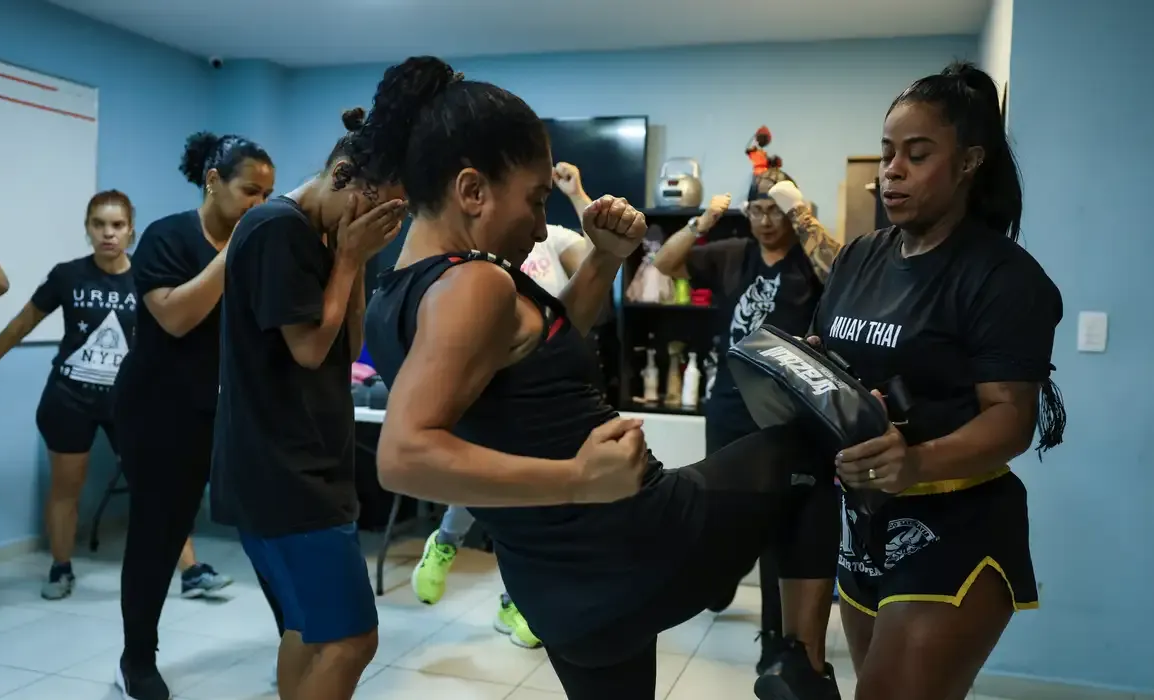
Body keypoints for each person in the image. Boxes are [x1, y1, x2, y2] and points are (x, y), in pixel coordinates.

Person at [363, 56, 841, 700]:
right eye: (534, 200)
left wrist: (607, 258)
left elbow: (539, 344)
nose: (539, 224)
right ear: (471, 190)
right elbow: (403, 456)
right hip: (628, 538)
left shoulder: (395, 293)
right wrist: (577, 478)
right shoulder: (473, 283)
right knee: (808, 449)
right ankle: (799, 665)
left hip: (557, 585)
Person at [813, 61, 1065, 700]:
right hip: (865, 519)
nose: (891, 171)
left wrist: (915, 460)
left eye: (917, 155)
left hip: (958, 523)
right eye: (887, 152)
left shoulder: (1004, 279)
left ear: (969, 162)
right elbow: (836, 360)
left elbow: (1011, 419)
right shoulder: (861, 256)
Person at [209, 110, 407, 700]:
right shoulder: (277, 229)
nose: (377, 224)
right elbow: (307, 348)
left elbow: (343, 351)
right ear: (343, 174)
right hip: (284, 475)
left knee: (308, 629)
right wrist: (348, 260)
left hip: (303, 468)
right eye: (375, 210)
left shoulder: (317, 235)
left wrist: (357, 259)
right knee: (353, 639)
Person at [113, 132, 281, 700]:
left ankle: (299, 641)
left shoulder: (260, 244)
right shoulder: (168, 236)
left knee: (270, 527)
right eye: (249, 192)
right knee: (158, 537)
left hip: (228, 410)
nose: (259, 205)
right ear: (213, 181)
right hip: (158, 412)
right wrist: (233, 253)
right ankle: (138, 657)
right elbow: (177, 318)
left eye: (269, 195)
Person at [653, 169, 841, 673]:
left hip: (789, 414)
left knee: (781, 523)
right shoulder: (732, 252)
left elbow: (848, 275)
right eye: (756, 210)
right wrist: (704, 221)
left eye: (773, 210)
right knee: (721, 506)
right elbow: (665, 263)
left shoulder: (809, 259)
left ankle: (775, 642)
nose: (763, 220)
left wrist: (801, 214)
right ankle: (719, 581)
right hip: (730, 405)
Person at [410, 161, 593, 649]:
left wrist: (578, 196)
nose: (532, 219)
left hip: (543, 384)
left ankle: (516, 602)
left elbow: (602, 263)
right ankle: (447, 545)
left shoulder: (554, 237)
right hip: (492, 383)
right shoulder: (473, 258)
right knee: (492, 488)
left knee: (528, 507)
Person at [0, 191, 137, 600]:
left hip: (127, 403)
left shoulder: (147, 278)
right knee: (65, 489)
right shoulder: (67, 276)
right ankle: (61, 568)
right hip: (68, 399)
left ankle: (191, 571)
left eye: (117, 225)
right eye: (99, 224)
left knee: (155, 487)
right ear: (87, 229)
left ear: (130, 230)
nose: (108, 233)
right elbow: (19, 326)